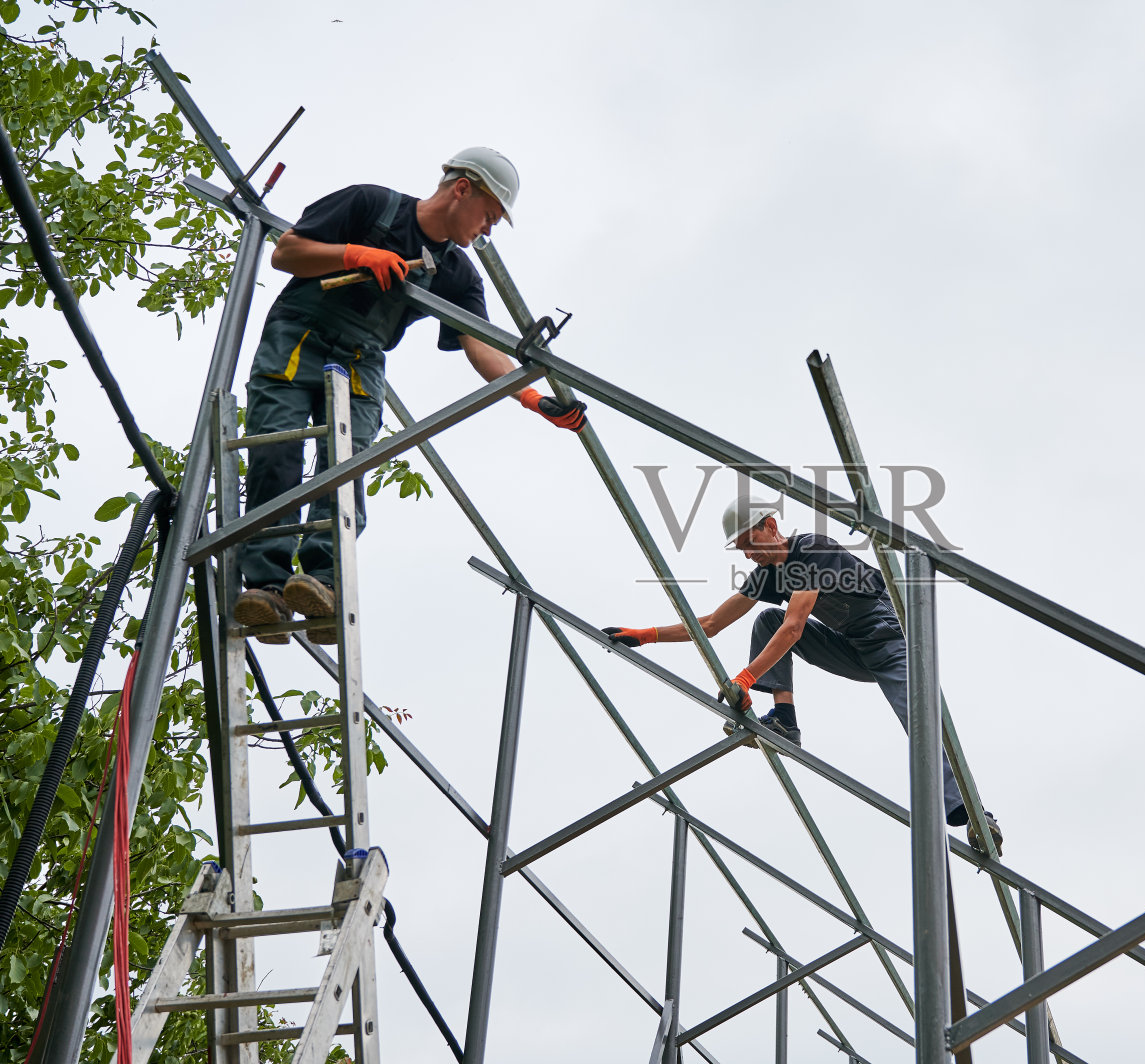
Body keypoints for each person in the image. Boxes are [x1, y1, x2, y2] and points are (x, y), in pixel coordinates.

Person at [232, 148, 586, 644]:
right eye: (489, 216)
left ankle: (321, 583)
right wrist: (353, 253)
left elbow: (479, 345)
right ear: (462, 188)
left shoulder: (458, 275)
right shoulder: (370, 206)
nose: (487, 230)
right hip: (299, 337)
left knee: (345, 463)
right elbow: (286, 252)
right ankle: (265, 585)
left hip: (360, 359)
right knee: (278, 449)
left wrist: (530, 398)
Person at [604, 499, 1003, 854]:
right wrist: (646, 636)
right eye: (741, 548)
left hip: (893, 639)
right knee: (766, 618)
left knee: (918, 719)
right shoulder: (767, 576)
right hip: (854, 648)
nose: (747, 555)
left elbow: (795, 628)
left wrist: (744, 678)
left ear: (771, 526)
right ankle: (785, 720)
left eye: (749, 542)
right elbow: (710, 623)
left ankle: (971, 813)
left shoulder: (814, 550)